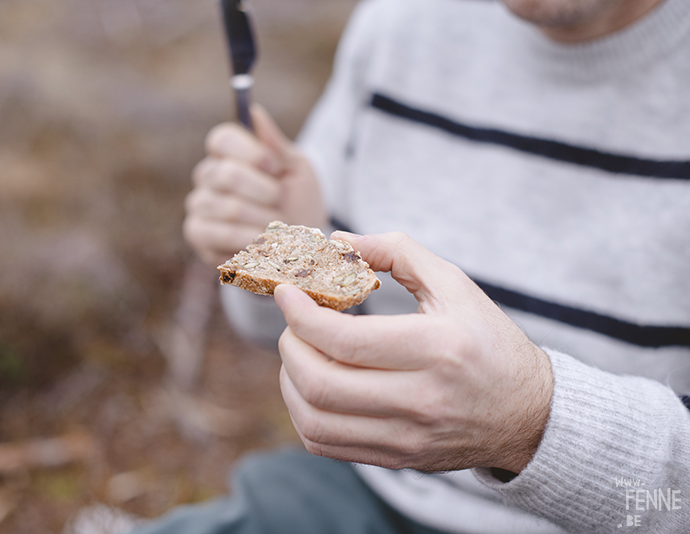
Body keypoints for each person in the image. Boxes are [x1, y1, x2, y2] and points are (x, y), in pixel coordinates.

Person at [139, 0, 690, 532]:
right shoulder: (400, 24)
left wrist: (536, 424)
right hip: (364, 495)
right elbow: (277, 323)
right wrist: (289, 255)